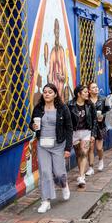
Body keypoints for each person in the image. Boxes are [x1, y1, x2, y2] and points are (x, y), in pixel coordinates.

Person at [30, 83, 73, 213]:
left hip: (58, 144)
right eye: (45, 92)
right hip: (43, 144)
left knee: (59, 173)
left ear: (55, 94)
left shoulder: (62, 108)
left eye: (50, 92)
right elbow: (31, 123)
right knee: (45, 172)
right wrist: (33, 126)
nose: (47, 94)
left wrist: (67, 148)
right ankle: (45, 201)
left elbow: (69, 128)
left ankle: (64, 185)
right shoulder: (38, 108)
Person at [67, 84, 97, 188]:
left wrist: (93, 134)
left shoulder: (90, 105)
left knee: (84, 153)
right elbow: (67, 121)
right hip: (74, 133)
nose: (87, 93)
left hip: (86, 132)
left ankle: (81, 177)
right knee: (78, 154)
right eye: (84, 92)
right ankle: (82, 173)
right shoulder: (70, 105)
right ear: (78, 94)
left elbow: (94, 120)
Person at [87, 82, 110, 175]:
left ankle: (101, 160)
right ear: (89, 90)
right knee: (91, 148)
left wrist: (103, 116)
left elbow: (109, 111)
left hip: (100, 126)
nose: (96, 89)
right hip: (90, 127)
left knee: (99, 148)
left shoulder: (104, 99)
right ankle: (91, 168)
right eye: (93, 87)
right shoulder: (86, 100)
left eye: (96, 87)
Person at [48, 19, 68, 102]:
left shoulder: (61, 50)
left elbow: (64, 70)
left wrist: (62, 77)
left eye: (58, 30)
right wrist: (51, 86)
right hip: (54, 84)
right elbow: (50, 71)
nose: (57, 33)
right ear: (53, 31)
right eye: (55, 30)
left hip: (61, 84)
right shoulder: (53, 51)